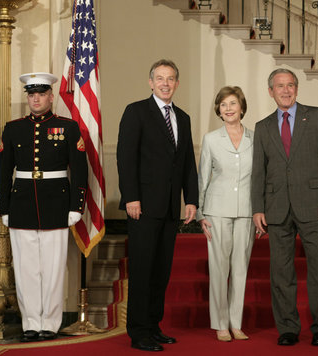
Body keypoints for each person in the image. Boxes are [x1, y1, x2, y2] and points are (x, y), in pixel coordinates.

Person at [251, 68, 318, 347]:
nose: (286, 90)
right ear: (271, 92)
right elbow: (258, 172)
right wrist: (257, 208)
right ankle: (287, 328)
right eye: (280, 86)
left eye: (290, 85)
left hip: (314, 205)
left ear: (297, 89)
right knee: (281, 272)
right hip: (276, 208)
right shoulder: (263, 126)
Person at [0, 72, 88, 342]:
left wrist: (77, 206)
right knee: (26, 270)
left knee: (52, 268)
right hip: (21, 204)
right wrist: (5, 207)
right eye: (31, 94)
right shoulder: (13, 128)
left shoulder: (68, 127)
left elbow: (80, 172)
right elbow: (4, 173)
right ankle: (30, 323)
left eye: (41, 94)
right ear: (28, 97)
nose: (35, 98)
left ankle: (49, 323)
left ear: (51, 96)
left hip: (56, 205)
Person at [117, 59, 198, 352]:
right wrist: (131, 197)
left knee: (161, 271)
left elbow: (187, 163)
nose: (166, 83)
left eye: (171, 78)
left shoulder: (183, 118)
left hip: (169, 209)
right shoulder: (136, 111)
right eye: (160, 78)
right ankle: (138, 332)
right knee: (142, 270)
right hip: (143, 207)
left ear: (177, 83)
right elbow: (125, 159)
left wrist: (191, 200)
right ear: (151, 82)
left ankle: (153, 325)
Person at [197, 86, 255, 342]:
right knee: (219, 269)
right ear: (219, 111)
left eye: (233, 103)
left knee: (240, 269)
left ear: (241, 107)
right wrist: (200, 213)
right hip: (216, 210)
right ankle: (220, 323)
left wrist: (260, 213)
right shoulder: (211, 139)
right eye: (223, 105)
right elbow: (202, 178)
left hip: (247, 212)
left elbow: (261, 178)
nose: (229, 108)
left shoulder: (257, 138)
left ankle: (236, 323)